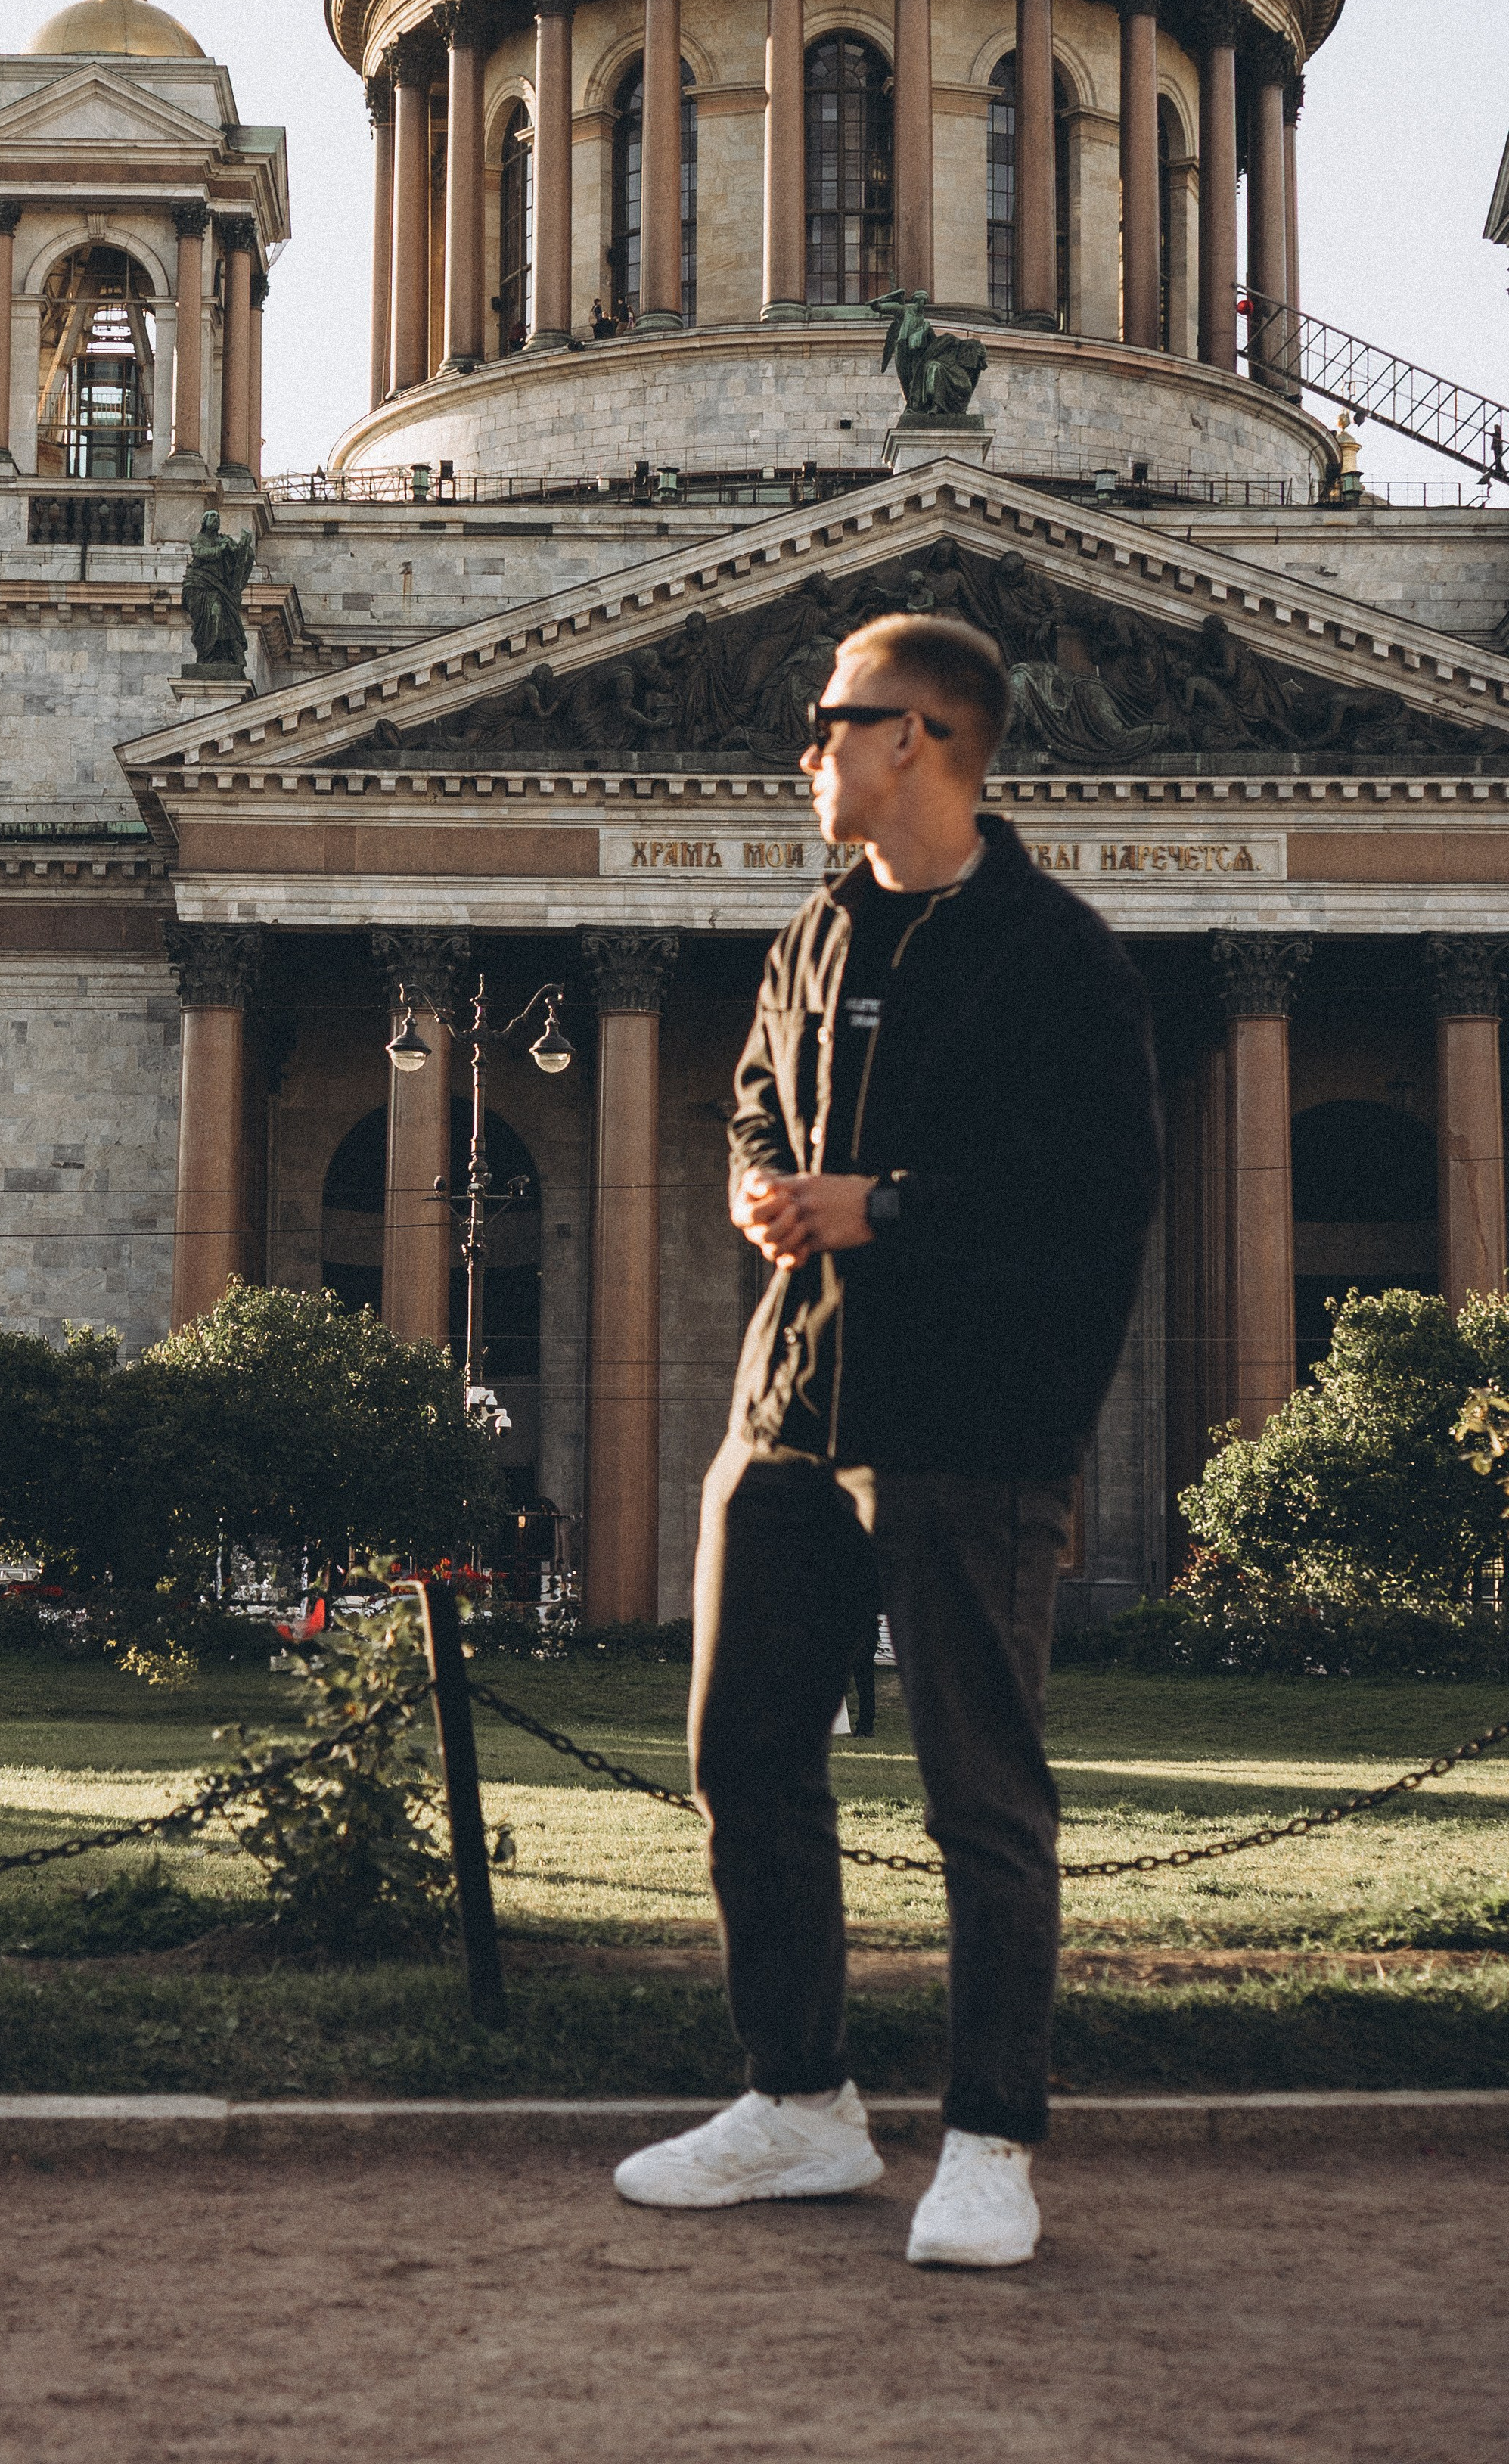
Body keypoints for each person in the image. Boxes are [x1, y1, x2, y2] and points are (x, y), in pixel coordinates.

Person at [614, 612, 1160, 2265]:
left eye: (831, 723)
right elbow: (750, 1104)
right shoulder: (813, 935)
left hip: (965, 1429)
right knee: (741, 1761)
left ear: (914, 736)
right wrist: (753, 1184)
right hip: (784, 1411)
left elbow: (1097, 1205)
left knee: (978, 1799)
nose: (807, 752)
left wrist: (886, 1207)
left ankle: (989, 2140)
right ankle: (799, 2106)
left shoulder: (1055, 955)